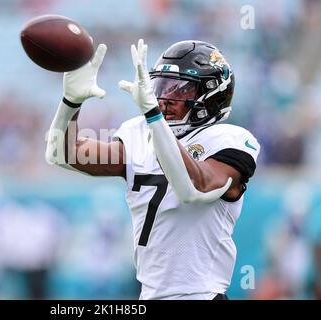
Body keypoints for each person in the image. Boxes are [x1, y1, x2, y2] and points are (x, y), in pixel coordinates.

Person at [45, 39, 260, 300]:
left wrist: (153, 116)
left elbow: (193, 189)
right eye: (161, 87)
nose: (164, 99)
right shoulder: (140, 132)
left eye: (180, 90)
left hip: (201, 295)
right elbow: (61, 154)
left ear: (212, 96)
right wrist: (70, 103)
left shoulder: (231, 139)